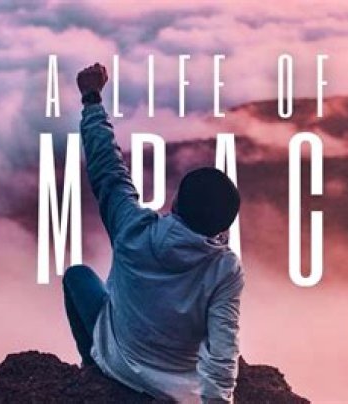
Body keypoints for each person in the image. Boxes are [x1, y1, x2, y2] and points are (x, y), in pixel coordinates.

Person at [62, 63, 244, 404]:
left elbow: (108, 171)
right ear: (223, 228)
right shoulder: (225, 269)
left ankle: (92, 365)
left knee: (78, 276)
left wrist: (92, 100)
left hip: (118, 362)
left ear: (175, 203)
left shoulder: (133, 228)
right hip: (179, 388)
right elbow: (224, 346)